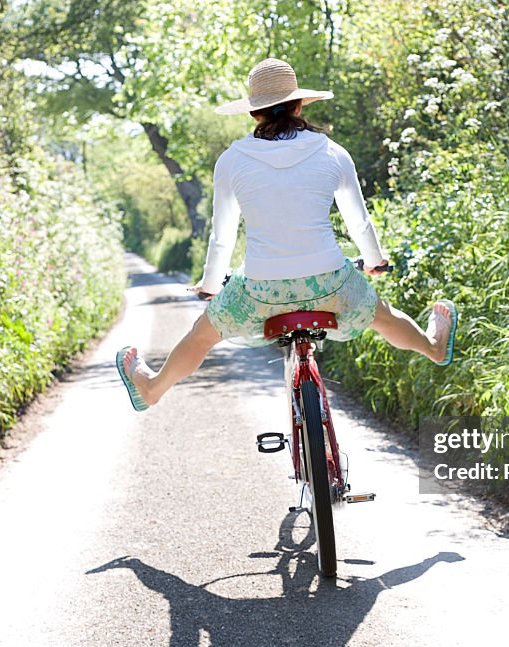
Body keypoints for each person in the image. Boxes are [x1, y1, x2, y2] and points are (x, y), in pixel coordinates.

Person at [116, 58, 458, 412]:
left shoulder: (232, 161)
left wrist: (211, 284)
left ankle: (153, 389)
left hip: (261, 289)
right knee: (382, 315)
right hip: (331, 285)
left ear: (254, 113)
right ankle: (433, 347)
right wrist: (375, 262)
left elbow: (222, 236)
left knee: (201, 336)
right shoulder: (333, 152)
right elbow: (359, 223)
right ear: (298, 105)